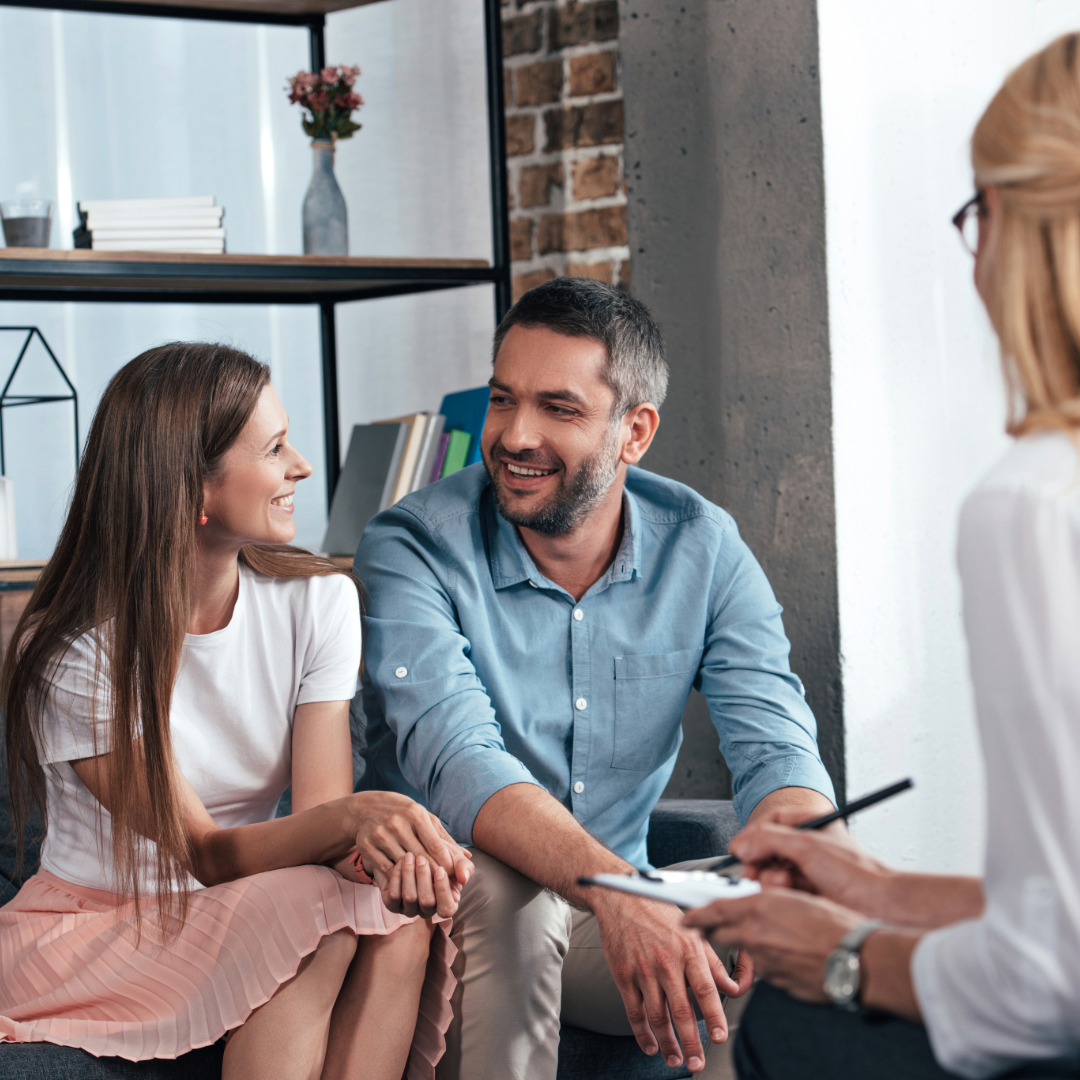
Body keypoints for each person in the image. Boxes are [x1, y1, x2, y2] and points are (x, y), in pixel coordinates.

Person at [684, 31, 1080, 1080]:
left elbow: (1049, 985)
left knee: (781, 1021)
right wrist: (887, 894)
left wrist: (849, 956)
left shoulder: (1038, 503)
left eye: (977, 216)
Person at [355, 276, 839, 1080]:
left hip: (600, 909)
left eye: (559, 409)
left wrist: (812, 852)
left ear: (634, 432)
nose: (514, 434)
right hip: (446, 907)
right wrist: (624, 894)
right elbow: (462, 761)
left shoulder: (704, 548)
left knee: (777, 927)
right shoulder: (412, 547)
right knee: (509, 895)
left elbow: (776, 746)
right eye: (503, 400)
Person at [0, 343, 473, 1080]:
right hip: (100, 926)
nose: (302, 467)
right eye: (275, 447)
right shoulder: (79, 657)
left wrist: (394, 858)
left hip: (251, 899)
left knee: (399, 925)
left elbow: (320, 828)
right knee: (320, 920)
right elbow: (208, 854)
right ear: (193, 486)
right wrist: (361, 817)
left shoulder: (319, 604)